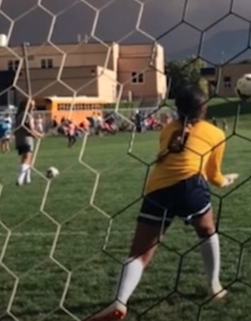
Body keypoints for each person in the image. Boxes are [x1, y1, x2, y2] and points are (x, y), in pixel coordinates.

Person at [90, 87, 238, 321]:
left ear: (177, 109)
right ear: (204, 109)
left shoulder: (168, 129)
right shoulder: (216, 133)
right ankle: (214, 285)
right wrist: (225, 181)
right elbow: (213, 175)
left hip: (157, 189)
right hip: (191, 186)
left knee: (139, 254)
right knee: (207, 230)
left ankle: (119, 301)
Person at [15, 101, 43, 186]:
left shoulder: (19, 115)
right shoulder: (27, 115)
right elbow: (30, 128)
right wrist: (38, 135)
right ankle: (20, 179)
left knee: (25, 158)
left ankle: (27, 179)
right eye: (31, 105)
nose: (33, 107)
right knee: (27, 158)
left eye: (33, 106)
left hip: (19, 139)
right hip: (26, 139)